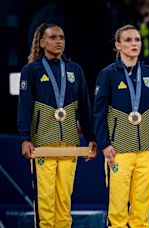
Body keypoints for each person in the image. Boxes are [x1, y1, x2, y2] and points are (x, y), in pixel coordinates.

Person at [17, 23, 97, 228]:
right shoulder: (31, 70)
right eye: (53, 37)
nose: (59, 41)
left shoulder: (74, 70)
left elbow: (85, 108)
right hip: (42, 145)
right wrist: (25, 137)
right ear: (42, 42)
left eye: (61, 37)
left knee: (64, 201)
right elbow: (24, 106)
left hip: (70, 144)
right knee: (45, 202)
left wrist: (90, 137)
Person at [93, 24, 149, 228]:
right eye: (128, 40)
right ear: (118, 45)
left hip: (147, 148)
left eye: (137, 40)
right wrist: (104, 144)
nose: (134, 43)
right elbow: (98, 113)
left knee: (142, 208)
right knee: (118, 207)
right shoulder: (108, 74)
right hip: (118, 149)